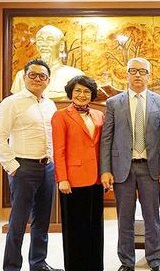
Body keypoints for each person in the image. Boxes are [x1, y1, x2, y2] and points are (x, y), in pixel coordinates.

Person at [99, 57, 160, 271]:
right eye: (133, 71)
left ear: (150, 75)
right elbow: (107, 138)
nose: (138, 75)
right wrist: (105, 170)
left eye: (142, 71)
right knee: (125, 219)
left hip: (151, 168)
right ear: (127, 74)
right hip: (124, 168)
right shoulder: (114, 103)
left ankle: (155, 261)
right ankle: (127, 262)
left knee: (152, 218)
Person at [0, 59, 63, 271]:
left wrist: (53, 161)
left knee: (42, 221)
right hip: (23, 168)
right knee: (18, 223)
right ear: (24, 77)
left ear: (48, 80)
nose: (37, 79)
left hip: (47, 168)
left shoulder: (50, 104)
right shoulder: (12, 102)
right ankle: (11, 267)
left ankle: (38, 263)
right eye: (33, 75)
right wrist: (12, 166)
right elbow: (0, 136)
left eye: (42, 76)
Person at [51, 75, 105, 271]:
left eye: (86, 91)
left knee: (95, 227)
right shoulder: (61, 116)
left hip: (96, 179)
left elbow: (102, 147)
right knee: (75, 230)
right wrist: (62, 178)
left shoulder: (99, 115)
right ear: (71, 93)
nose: (82, 95)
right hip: (72, 181)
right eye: (78, 91)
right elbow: (59, 150)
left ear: (92, 95)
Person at [11, 25, 84, 99]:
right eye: (40, 40)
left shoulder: (75, 75)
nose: (43, 44)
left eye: (49, 40)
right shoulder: (22, 75)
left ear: (61, 45)